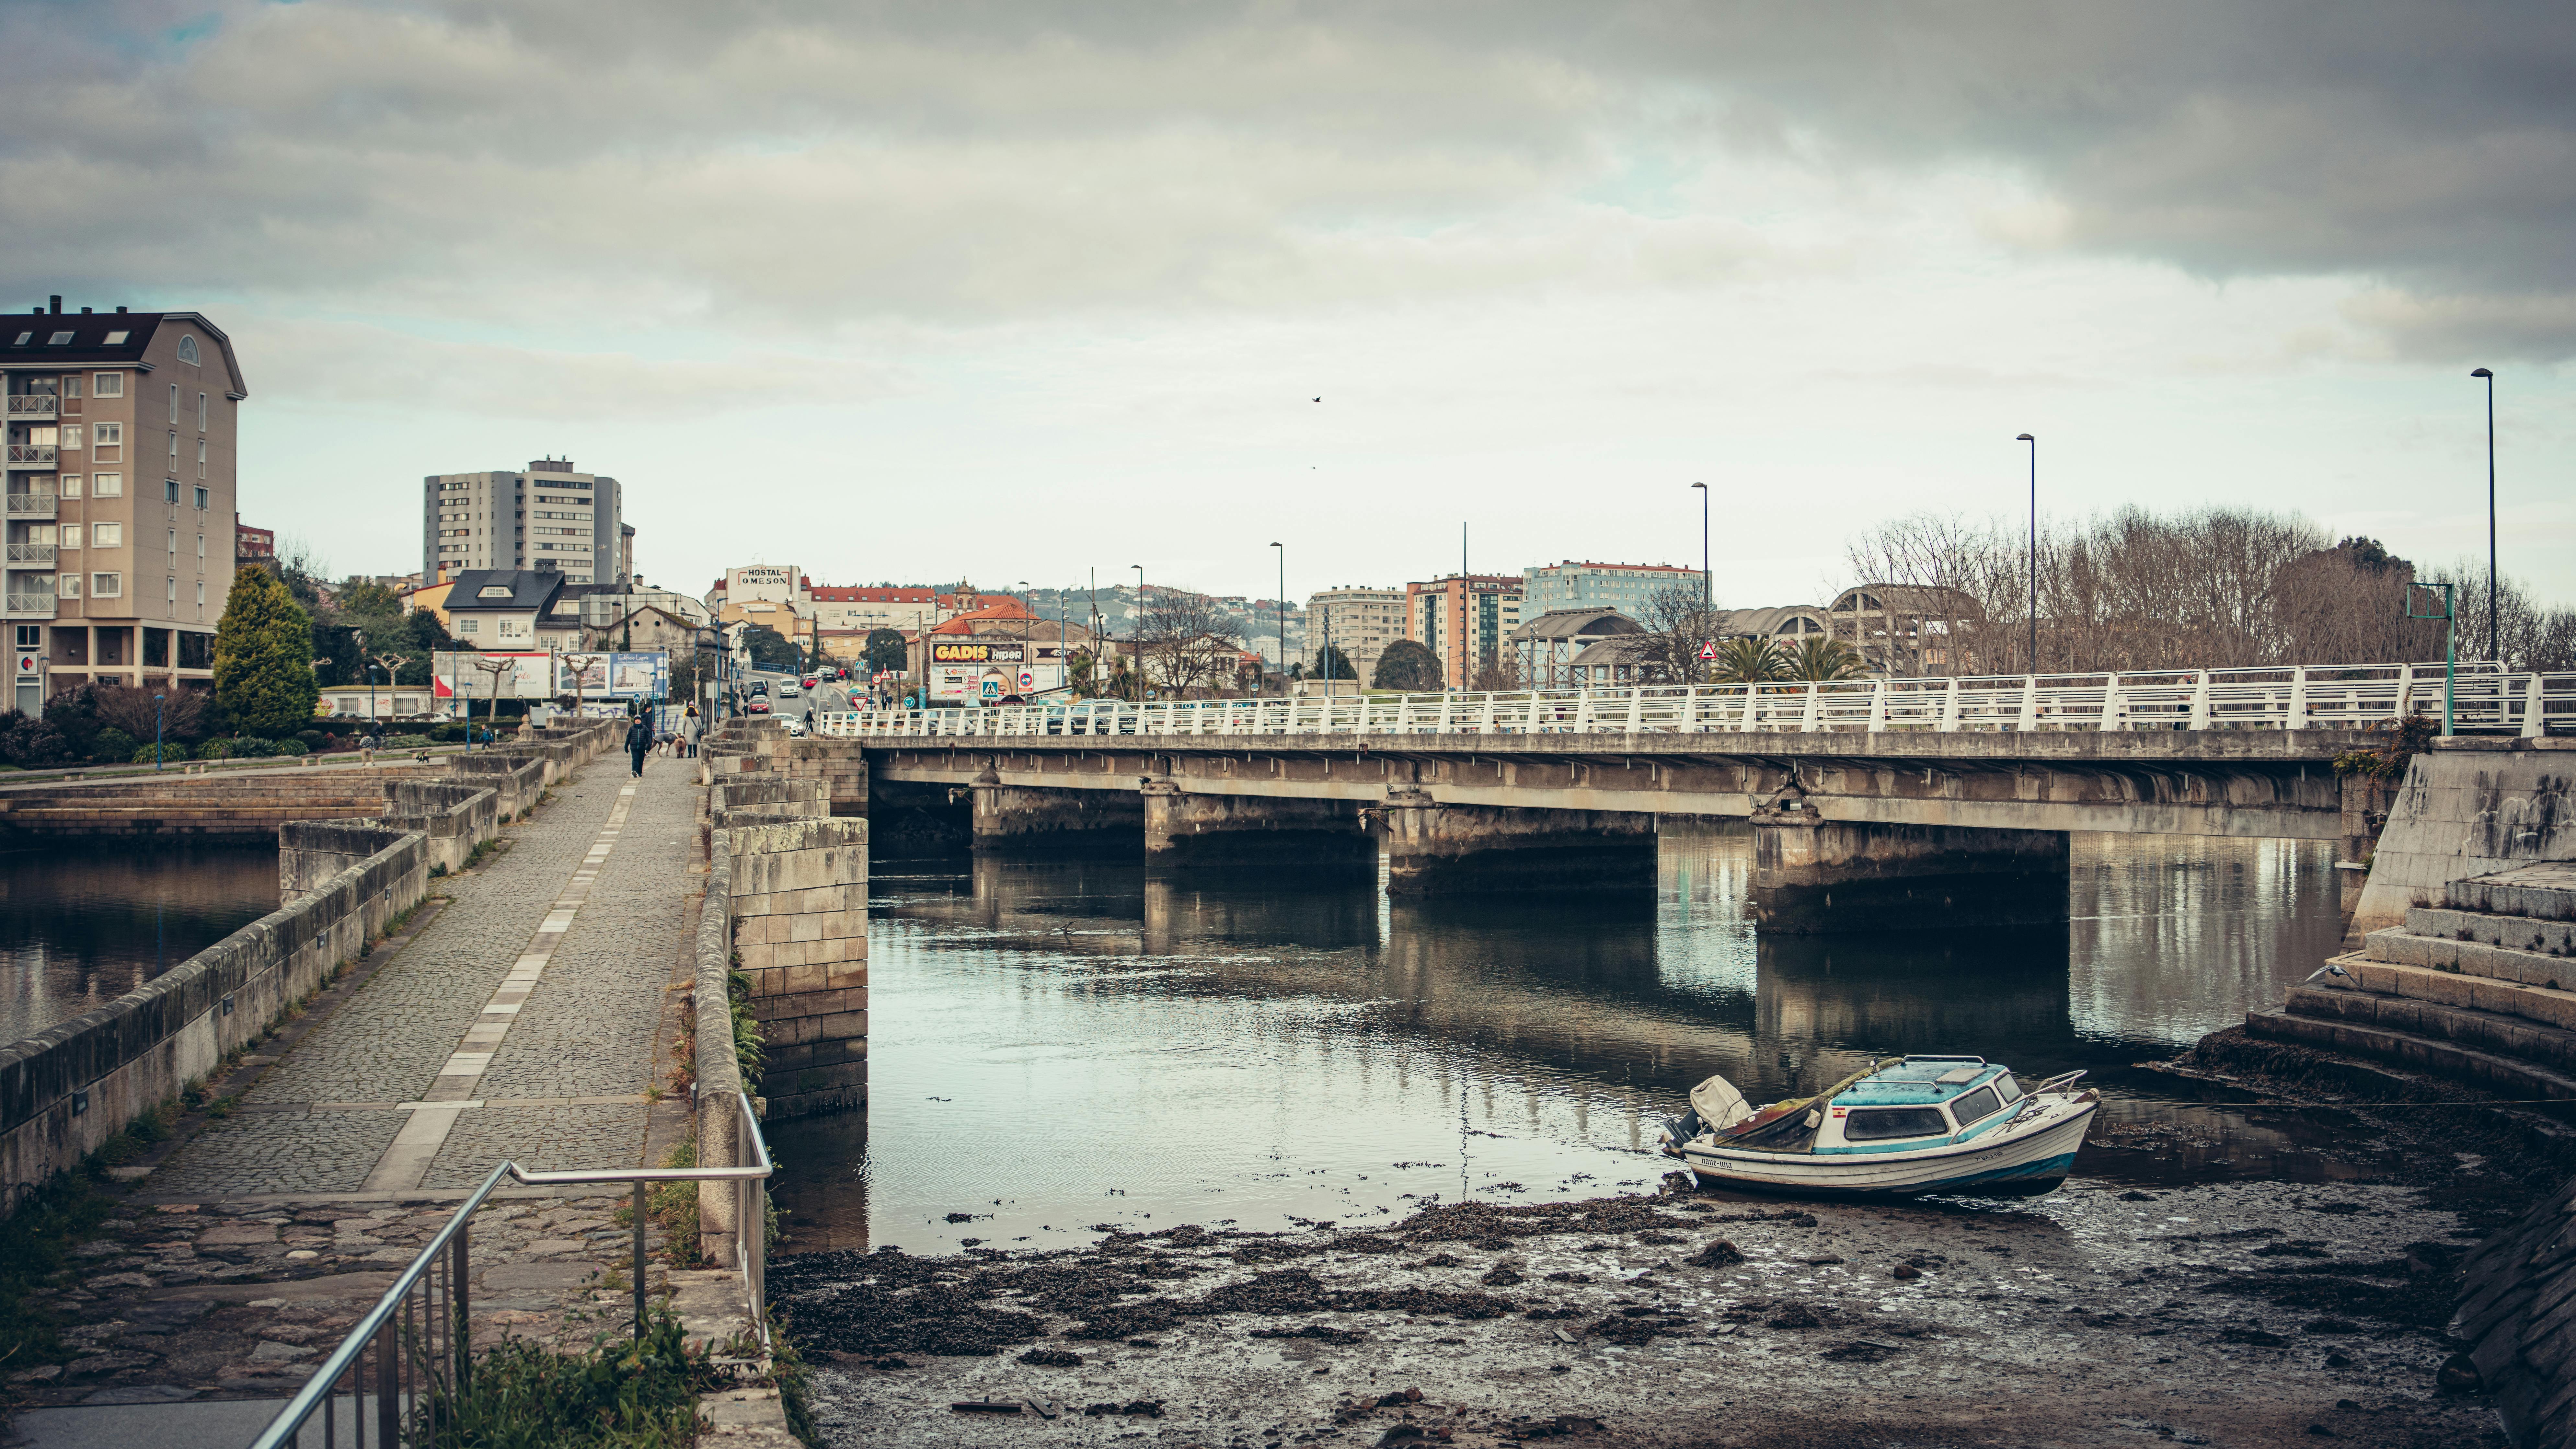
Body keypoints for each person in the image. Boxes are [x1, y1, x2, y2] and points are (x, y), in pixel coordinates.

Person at [625, 714, 653, 779]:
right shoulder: (632, 729)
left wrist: (649, 745)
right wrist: (626, 746)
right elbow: (628, 738)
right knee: (635, 759)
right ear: (635, 721)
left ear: (641, 721)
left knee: (641, 760)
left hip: (642, 747)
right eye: (636, 720)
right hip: (634, 747)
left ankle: (640, 773)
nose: (637, 721)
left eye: (639, 720)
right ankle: (634, 771)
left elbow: (648, 738)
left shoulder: (644, 728)